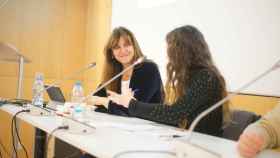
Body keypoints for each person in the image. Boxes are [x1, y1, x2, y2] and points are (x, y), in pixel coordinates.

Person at [108, 25, 231, 137]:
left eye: (171, 48)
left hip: (204, 146)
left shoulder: (206, 77)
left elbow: (174, 114)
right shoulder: (193, 76)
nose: (169, 55)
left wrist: (130, 103)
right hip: (191, 140)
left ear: (184, 50)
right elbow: (178, 113)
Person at [87, 26, 164, 116]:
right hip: (123, 125)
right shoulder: (114, 72)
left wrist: (104, 101)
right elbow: (94, 99)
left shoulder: (149, 69)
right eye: (117, 47)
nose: (123, 50)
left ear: (134, 47)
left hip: (149, 126)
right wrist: (101, 102)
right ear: (112, 53)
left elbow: (133, 109)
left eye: (127, 45)